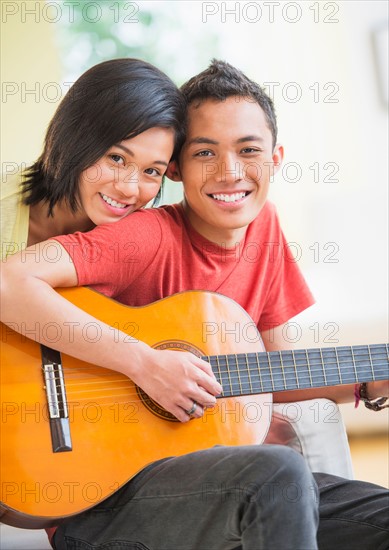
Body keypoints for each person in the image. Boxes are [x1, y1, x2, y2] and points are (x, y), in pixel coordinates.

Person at [1, 60, 388, 549]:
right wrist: (144, 362)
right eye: (205, 152)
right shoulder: (143, 235)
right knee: (276, 474)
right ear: (184, 169)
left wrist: (368, 380)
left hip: (213, 476)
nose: (229, 172)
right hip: (101, 493)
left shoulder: (261, 227)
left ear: (276, 157)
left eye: (149, 171)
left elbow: (268, 372)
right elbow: (11, 284)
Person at [1, 58, 186, 259]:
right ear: (74, 137)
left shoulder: (134, 243)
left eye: (151, 171)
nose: (129, 189)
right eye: (116, 158)